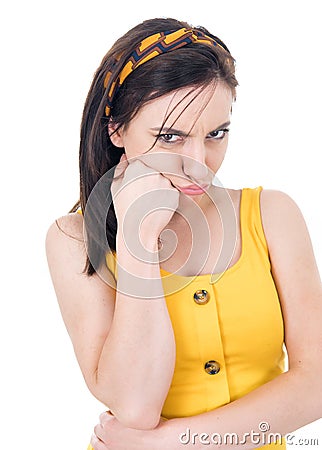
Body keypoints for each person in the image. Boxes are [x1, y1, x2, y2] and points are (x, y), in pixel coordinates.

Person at [45, 17, 322, 450]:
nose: (199, 160)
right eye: (171, 136)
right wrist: (139, 243)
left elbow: (316, 384)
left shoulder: (271, 215)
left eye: (217, 134)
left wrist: (174, 442)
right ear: (116, 129)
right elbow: (134, 406)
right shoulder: (74, 238)